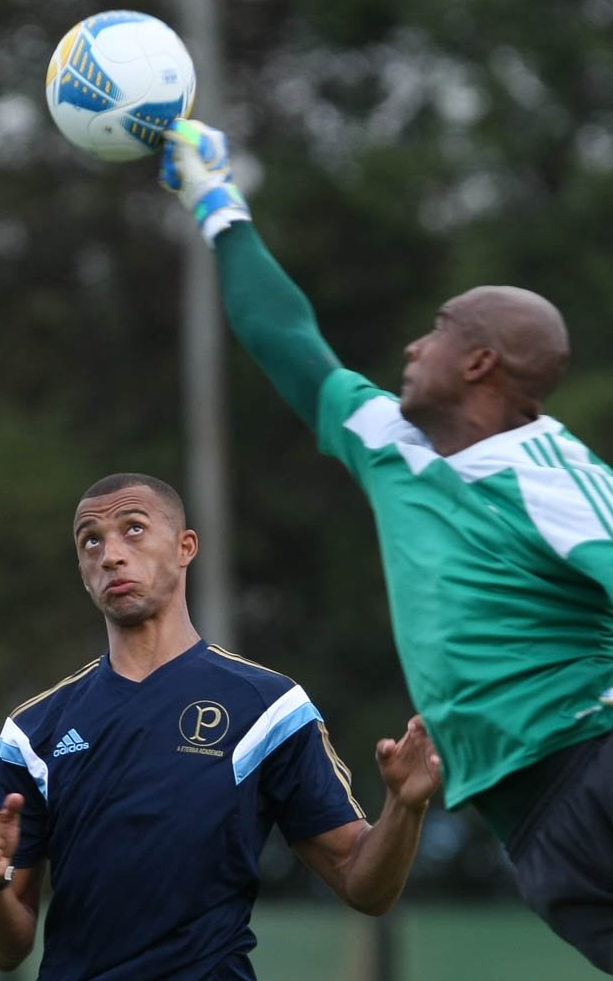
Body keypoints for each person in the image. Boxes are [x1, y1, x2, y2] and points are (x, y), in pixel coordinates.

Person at [158, 119, 613, 973]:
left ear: (479, 363)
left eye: (436, 330)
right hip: (536, 833)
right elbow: (286, 341)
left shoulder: (552, 474)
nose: (413, 345)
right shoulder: (388, 444)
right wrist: (216, 204)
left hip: (593, 767)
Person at [0, 472, 440, 980]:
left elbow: (362, 883)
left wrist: (405, 807)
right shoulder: (32, 733)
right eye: (90, 540)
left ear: (186, 547)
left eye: (134, 528)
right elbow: (4, 950)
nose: (111, 554)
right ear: (81, 568)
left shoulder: (269, 708)